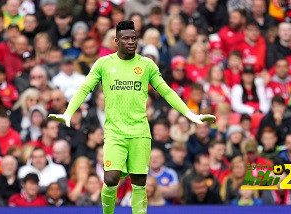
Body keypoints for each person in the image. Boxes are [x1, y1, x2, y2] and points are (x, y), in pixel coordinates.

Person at [48, 20, 215, 214]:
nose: (130, 42)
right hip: (115, 133)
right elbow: (85, 88)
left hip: (140, 133)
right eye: (125, 38)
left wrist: (189, 114)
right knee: (110, 178)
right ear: (116, 41)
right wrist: (69, 112)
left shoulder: (146, 65)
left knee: (139, 182)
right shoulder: (104, 63)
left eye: (134, 38)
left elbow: (167, 92)